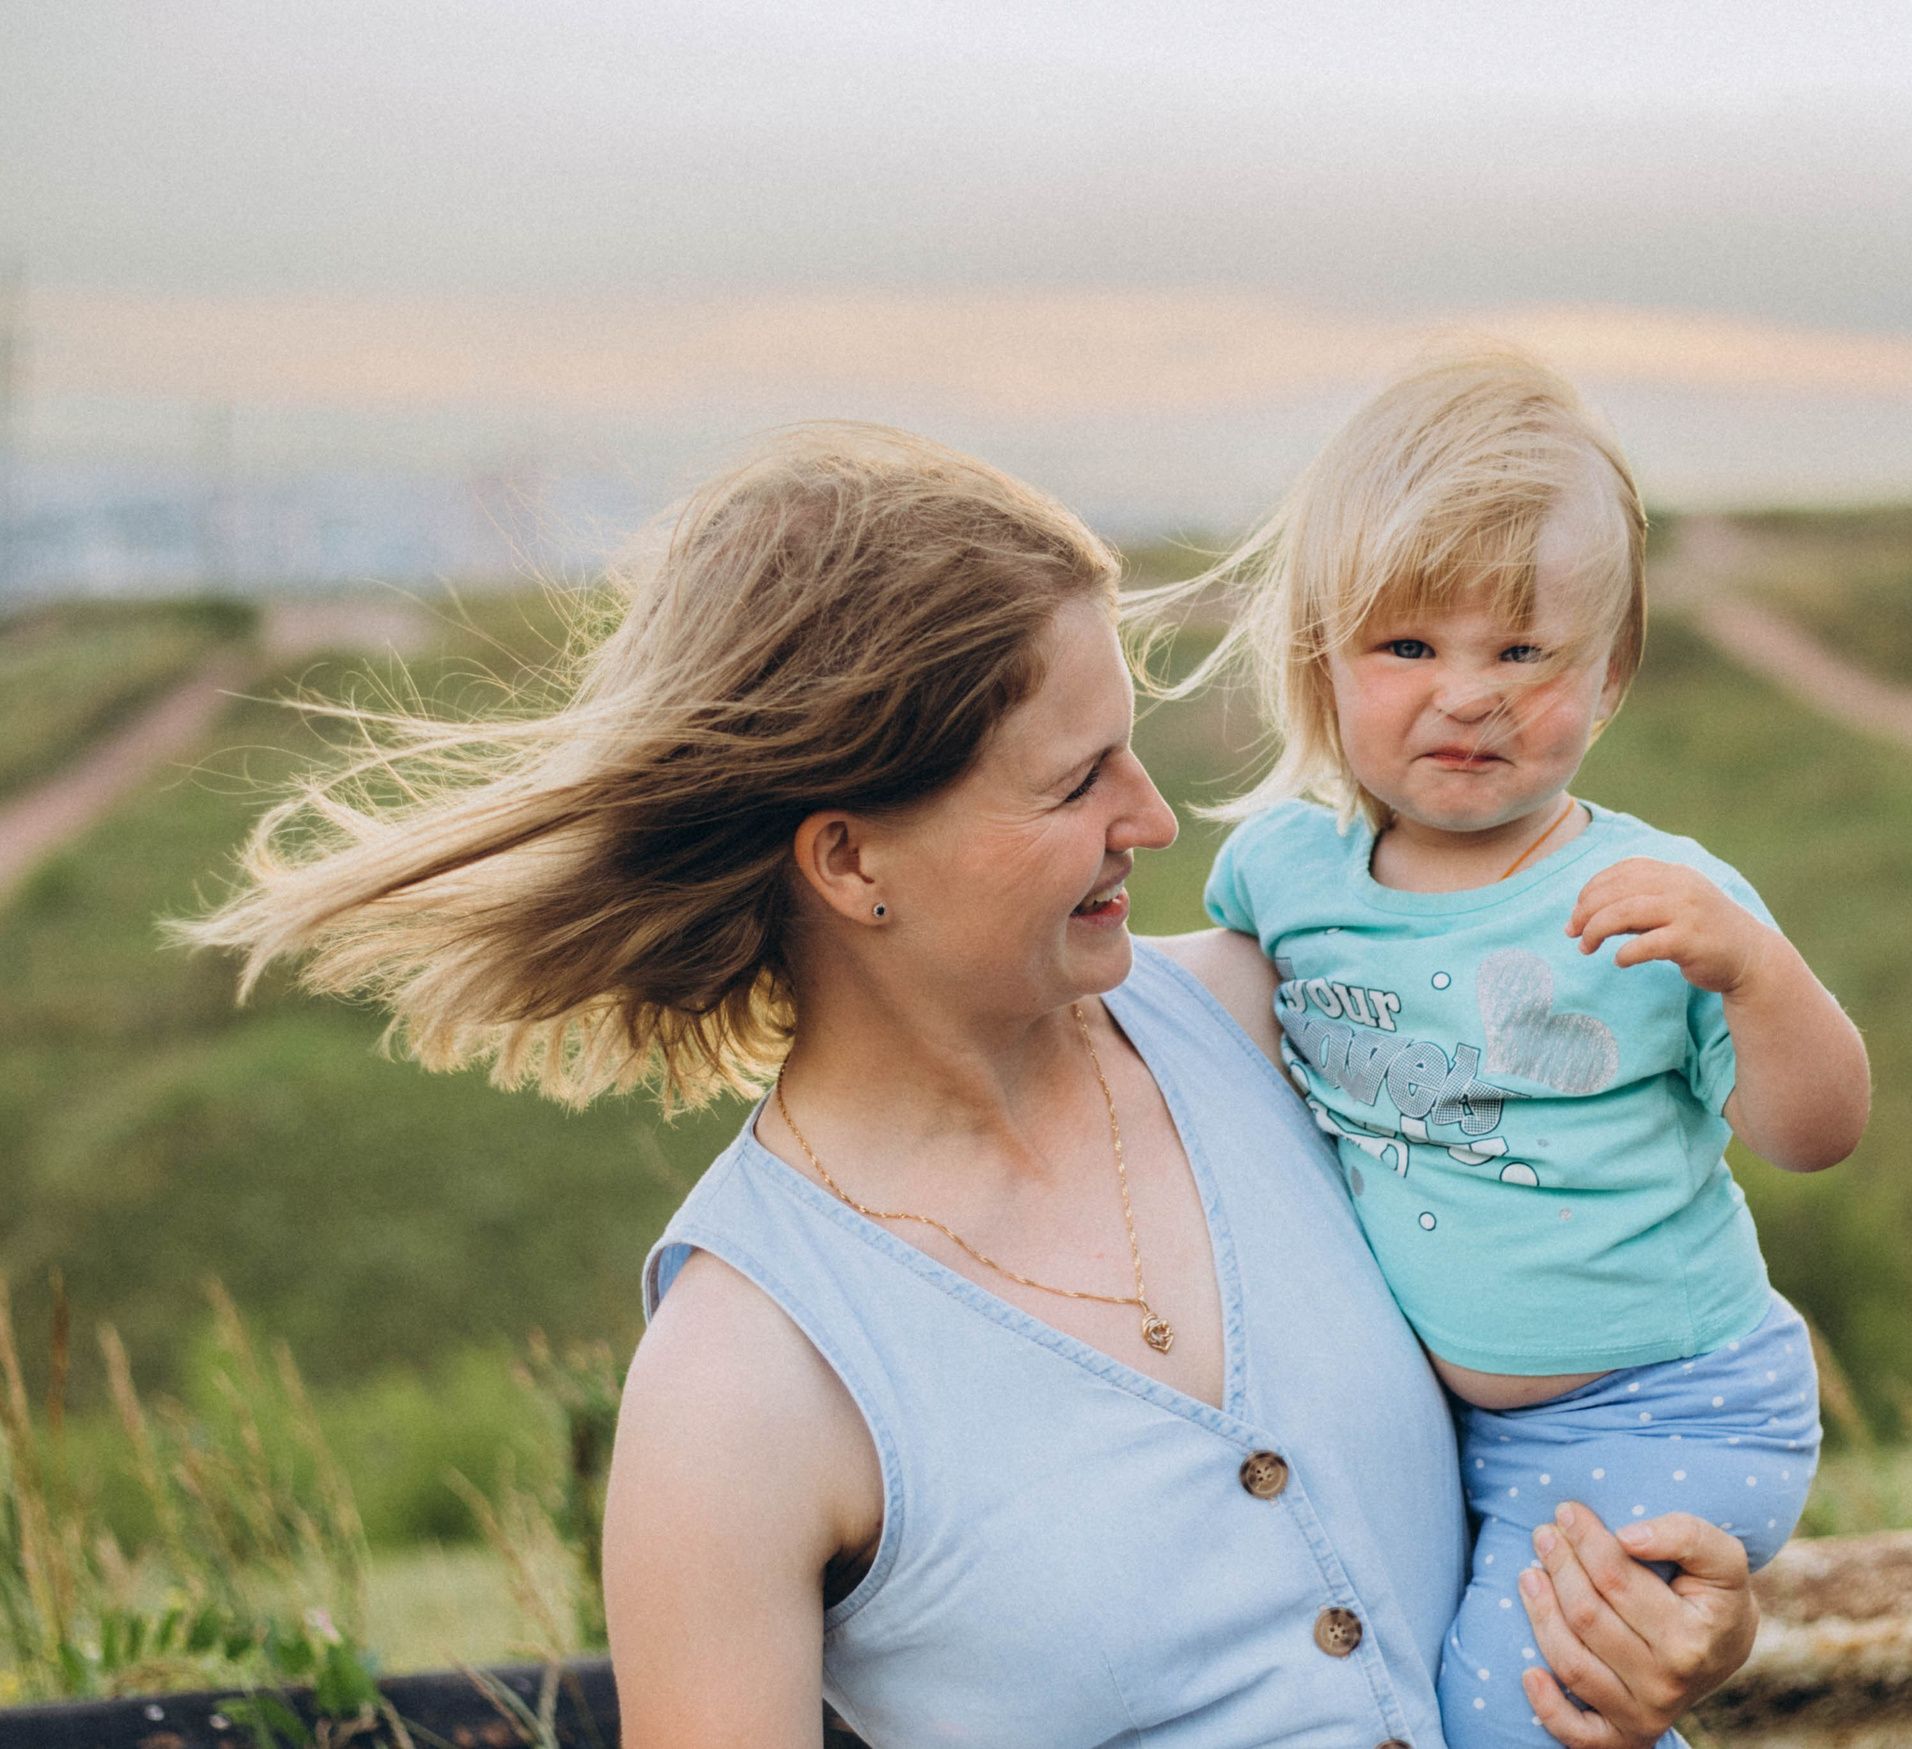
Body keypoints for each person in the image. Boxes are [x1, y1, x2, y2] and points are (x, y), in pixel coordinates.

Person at [182, 424, 1762, 1747]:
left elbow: (1618, 1361)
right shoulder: (740, 1385)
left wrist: (1667, 1621)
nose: (1153, 818)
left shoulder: (1296, 1024)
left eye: (1128, 749)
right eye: (1076, 781)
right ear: (851, 860)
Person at [1154, 352, 1869, 1745]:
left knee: (1512, 1718)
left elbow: (1818, 1132)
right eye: (1409, 648)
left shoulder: (1657, 902)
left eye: (1523, 652)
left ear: (1608, 676)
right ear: (1320, 663)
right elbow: (1193, 1017)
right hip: (1462, 1431)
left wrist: (1758, 973)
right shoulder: (1286, 874)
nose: (1469, 695)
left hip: (1664, 1408)